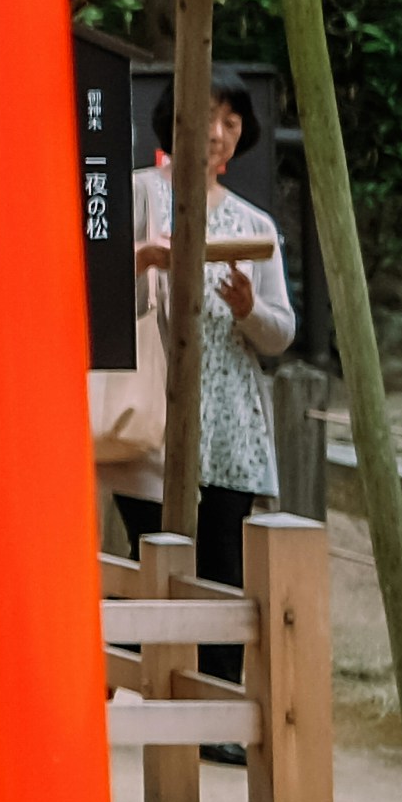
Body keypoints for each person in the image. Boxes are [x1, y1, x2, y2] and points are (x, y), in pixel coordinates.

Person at [122, 84, 299, 689]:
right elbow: (85, 289)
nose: (218, 130)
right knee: (150, 552)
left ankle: (216, 703)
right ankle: (112, 675)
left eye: (231, 120)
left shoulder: (254, 225)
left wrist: (249, 309)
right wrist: (144, 259)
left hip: (228, 420)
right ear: (173, 124)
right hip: (150, 416)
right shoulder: (136, 196)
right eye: (206, 115)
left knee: (222, 566)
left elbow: (281, 332)